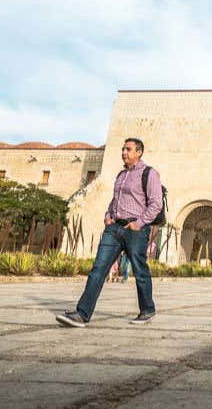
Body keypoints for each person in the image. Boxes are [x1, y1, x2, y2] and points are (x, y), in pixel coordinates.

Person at [56, 137, 160, 328]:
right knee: (98, 269)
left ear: (139, 152)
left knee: (140, 270)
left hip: (135, 230)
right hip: (114, 228)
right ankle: (82, 314)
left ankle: (147, 310)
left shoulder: (149, 173)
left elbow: (156, 204)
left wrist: (139, 223)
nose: (124, 152)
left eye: (128, 149)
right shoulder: (121, 175)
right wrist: (108, 215)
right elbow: (115, 200)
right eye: (123, 149)